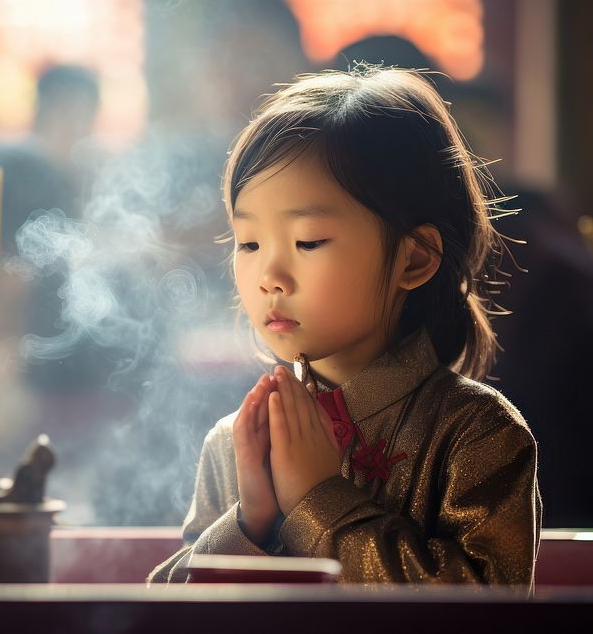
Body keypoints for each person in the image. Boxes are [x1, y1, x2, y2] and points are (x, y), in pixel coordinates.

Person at [148, 65, 541, 585]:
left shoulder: (475, 433)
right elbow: (169, 612)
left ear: (414, 258)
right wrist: (249, 521)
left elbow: (484, 614)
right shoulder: (238, 440)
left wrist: (318, 501)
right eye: (249, 243)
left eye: (308, 241)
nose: (271, 276)